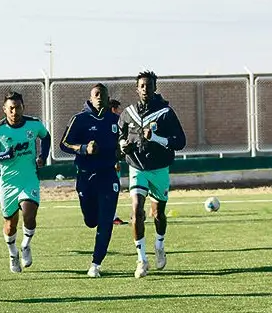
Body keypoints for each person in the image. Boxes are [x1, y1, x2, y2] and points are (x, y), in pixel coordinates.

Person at [118, 70, 186, 278]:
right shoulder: (128, 113)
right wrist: (123, 146)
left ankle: (159, 244)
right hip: (137, 167)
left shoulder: (166, 113)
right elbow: (120, 137)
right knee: (137, 211)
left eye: (149, 85)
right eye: (142, 86)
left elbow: (180, 142)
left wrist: (156, 138)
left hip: (159, 169)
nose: (145, 89)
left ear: (156, 87)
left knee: (158, 214)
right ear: (136, 89)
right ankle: (141, 259)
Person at [60, 84, 122, 277]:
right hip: (86, 175)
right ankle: (91, 218)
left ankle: (96, 263)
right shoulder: (80, 119)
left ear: (107, 97)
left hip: (108, 174)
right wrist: (84, 148)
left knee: (106, 220)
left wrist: (121, 151)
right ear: (90, 97)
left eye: (103, 95)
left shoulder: (116, 120)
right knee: (91, 220)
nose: (100, 98)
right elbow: (64, 144)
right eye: (96, 94)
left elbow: (124, 142)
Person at [0, 91, 50, 273]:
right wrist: (5, 154)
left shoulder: (34, 124)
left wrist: (43, 156)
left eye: (18, 107)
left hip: (29, 179)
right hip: (8, 183)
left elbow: (46, 137)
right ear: (4, 109)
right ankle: (13, 254)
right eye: (11, 108)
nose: (15, 111)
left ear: (23, 107)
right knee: (10, 224)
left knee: (29, 214)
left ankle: (26, 245)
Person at [110, 98, 128, 226]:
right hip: (111, 163)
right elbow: (114, 144)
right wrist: (115, 160)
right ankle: (112, 216)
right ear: (113, 109)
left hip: (109, 162)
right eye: (118, 109)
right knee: (113, 189)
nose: (119, 112)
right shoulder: (114, 122)